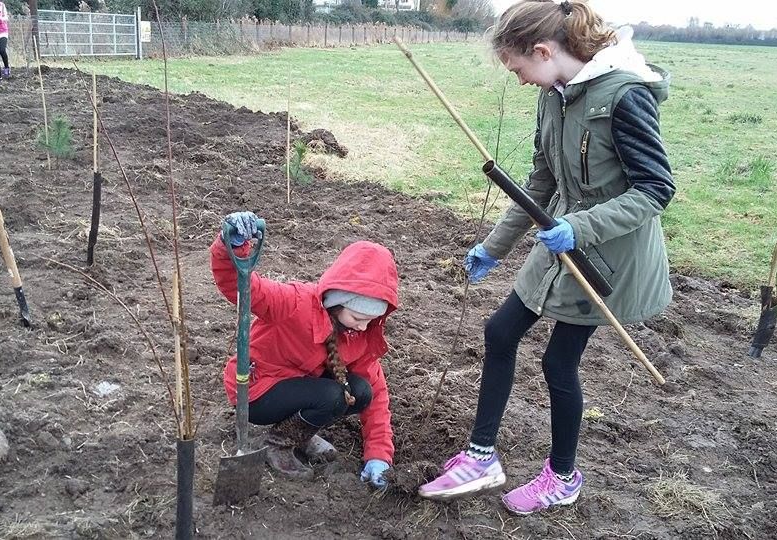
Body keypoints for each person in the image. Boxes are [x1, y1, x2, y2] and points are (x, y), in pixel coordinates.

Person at [418, 0, 675, 515]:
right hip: (558, 239)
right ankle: (482, 457)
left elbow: (656, 189)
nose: (518, 80)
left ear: (543, 50)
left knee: (559, 360)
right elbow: (540, 183)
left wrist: (577, 227)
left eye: (518, 68)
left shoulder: (624, 96)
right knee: (500, 332)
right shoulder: (553, 96)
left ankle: (562, 477)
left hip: (606, 256)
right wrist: (493, 248)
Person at [211, 211, 399, 488]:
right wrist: (232, 246)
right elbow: (242, 287)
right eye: (358, 318)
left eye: (371, 320)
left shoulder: (360, 335)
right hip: (256, 389)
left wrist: (380, 455)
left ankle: (301, 432)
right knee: (333, 395)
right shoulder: (294, 303)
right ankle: (277, 445)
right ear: (336, 302)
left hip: (300, 388)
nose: (363, 327)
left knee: (360, 392)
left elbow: (377, 394)